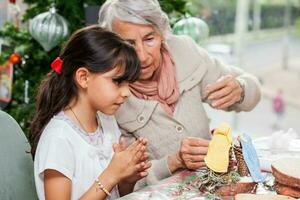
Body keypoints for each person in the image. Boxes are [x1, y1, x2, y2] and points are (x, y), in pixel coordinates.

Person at [98, 0, 261, 188]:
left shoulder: (185, 51)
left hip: (214, 187)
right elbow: (124, 185)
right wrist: (173, 161)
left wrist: (240, 89)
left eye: (149, 39)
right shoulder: (109, 96)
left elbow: (252, 92)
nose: (141, 56)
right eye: (129, 44)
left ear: (162, 34)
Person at [30, 25, 151, 200]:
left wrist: (126, 179)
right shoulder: (58, 139)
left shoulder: (107, 122)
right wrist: (111, 175)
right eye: (118, 82)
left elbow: (116, 194)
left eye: (128, 83)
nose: (127, 92)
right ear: (83, 78)